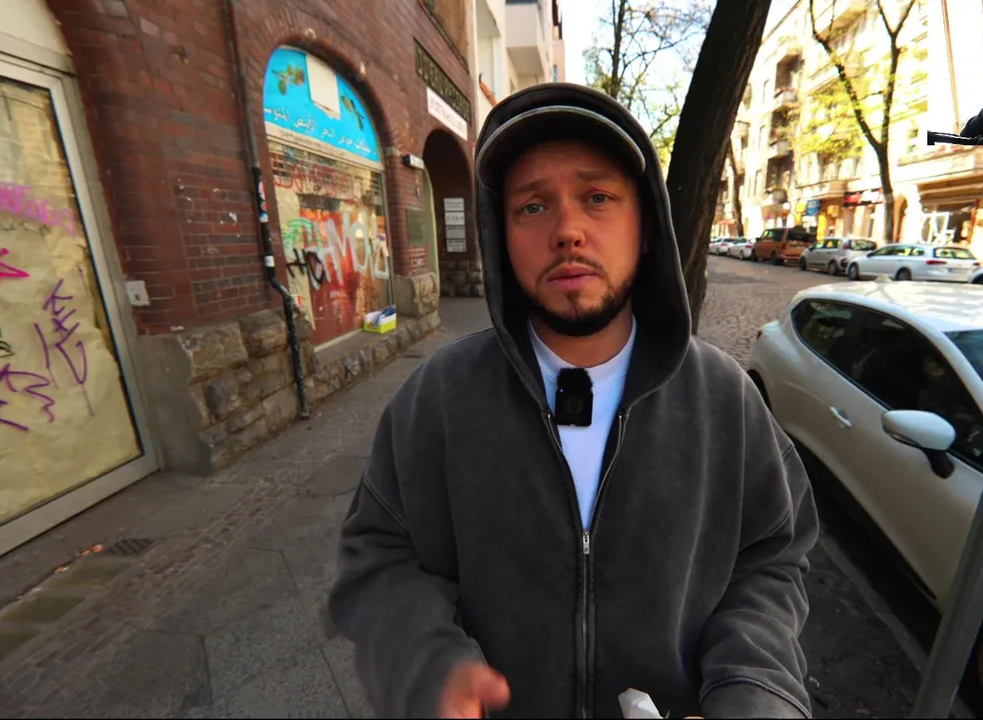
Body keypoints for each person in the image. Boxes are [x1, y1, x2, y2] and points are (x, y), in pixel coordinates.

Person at [328, 82, 819, 719]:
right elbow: (376, 558)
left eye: (597, 198)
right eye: (532, 206)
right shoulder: (438, 400)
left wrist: (754, 691)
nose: (567, 231)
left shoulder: (727, 404)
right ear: (500, 236)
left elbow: (771, 560)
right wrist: (425, 663)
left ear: (646, 226)